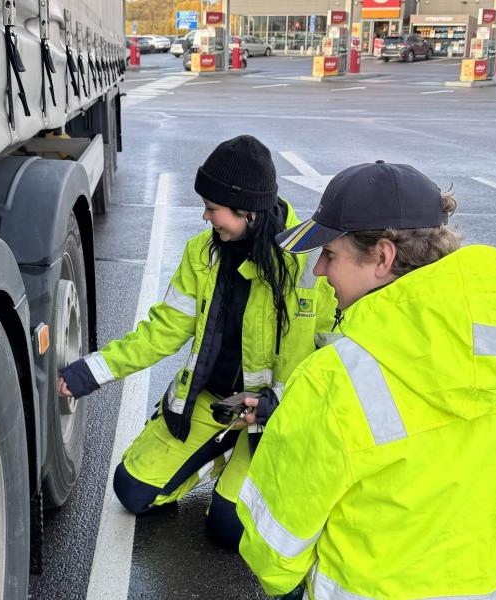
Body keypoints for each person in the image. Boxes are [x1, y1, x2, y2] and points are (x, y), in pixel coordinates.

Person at [235, 160, 496, 599]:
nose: (319, 271)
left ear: (383, 256)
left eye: (331, 255)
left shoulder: (335, 380)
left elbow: (275, 545)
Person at [57, 135, 337, 549]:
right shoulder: (201, 255)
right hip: (216, 401)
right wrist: (91, 371)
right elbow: (161, 331)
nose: (205, 217)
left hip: (278, 414)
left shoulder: (310, 262)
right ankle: (223, 449)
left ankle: (241, 460)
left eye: (213, 208)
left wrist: (277, 407)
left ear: (249, 212)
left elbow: (333, 352)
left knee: (229, 526)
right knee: (132, 491)